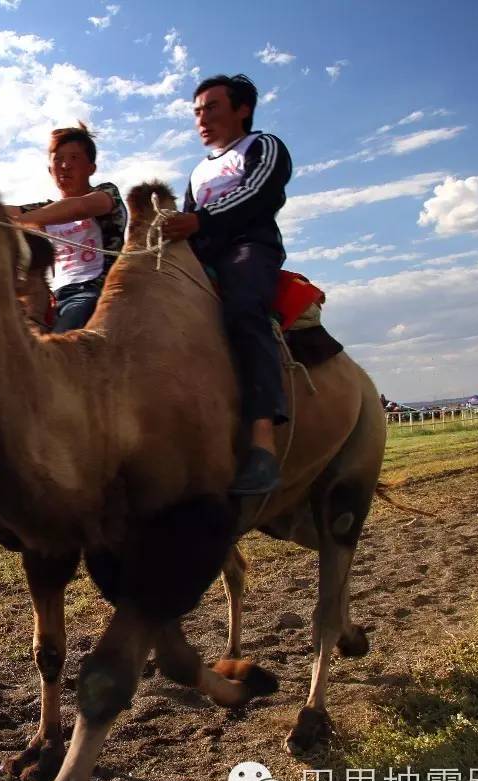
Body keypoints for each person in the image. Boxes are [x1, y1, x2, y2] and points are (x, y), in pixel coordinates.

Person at [161, 73, 292, 496]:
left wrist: (200, 221)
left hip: (249, 247)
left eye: (212, 108)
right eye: (197, 111)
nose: (201, 118)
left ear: (243, 109)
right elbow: (188, 221)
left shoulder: (263, 146)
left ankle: (263, 442)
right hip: (202, 255)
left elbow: (259, 193)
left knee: (242, 309)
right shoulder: (198, 171)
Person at [5, 123, 127, 332]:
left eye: (74, 158)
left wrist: (23, 220)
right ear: (50, 170)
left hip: (96, 293)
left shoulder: (107, 193)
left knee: (62, 337)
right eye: (58, 159)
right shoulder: (44, 210)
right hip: (54, 298)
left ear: (91, 168)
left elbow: (80, 207)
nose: (65, 165)